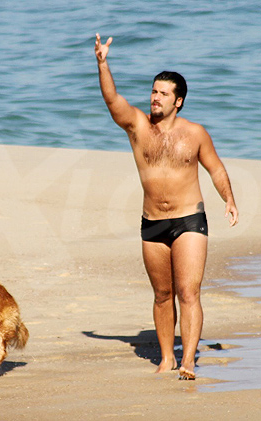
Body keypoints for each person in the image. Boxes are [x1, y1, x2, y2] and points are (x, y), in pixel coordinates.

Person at [94, 33, 239, 380]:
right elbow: (113, 100)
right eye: (154, 91)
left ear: (179, 101)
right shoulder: (138, 126)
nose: (154, 98)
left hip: (189, 219)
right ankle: (166, 358)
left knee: (188, 292)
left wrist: (229, 199)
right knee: (162, 294)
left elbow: (215, 168)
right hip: (152, 222)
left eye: (163, 93)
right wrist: (102, 63)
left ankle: (188, 360)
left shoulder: (195, 133)